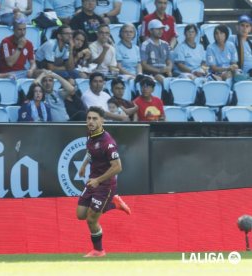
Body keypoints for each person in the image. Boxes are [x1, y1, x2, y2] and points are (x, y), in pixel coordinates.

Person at [77, 105, 131, 257]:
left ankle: (99, 251)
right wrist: (83, 165)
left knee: (91, 219)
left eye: (95, 118)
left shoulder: (108, 142)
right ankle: (114, 203)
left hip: (105, 184)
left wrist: (98, 180)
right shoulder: (91, 134)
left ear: (102, 121)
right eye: (89, 118)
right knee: (80, 214)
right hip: (93, 181)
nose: (91, 121)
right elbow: (90, 151)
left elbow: (118, 167)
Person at [140, 19, 172, 86]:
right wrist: (159, 71)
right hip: (151, 72)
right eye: (158, 29)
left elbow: (169, 61)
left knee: (173, 80)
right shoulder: (145, 45)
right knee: (162, 79)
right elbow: (144, 64)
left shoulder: (165, 44)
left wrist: (168, 68)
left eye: (161, 29)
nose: (160, 31)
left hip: (164, 71)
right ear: (151, 31)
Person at [229, 15, 252, 81]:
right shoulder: (231, 39)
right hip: (240, 73)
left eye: (247, 26)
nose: (244, 28)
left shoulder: (250, 43)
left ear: (250, 29)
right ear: (237, 27)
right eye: (242, 25)